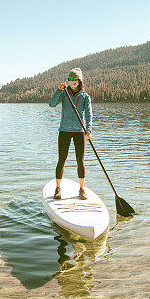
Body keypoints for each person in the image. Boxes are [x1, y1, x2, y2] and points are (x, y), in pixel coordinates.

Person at [49, 68, 92, 200]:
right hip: (64, 131)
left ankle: (81, 189)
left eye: (74, 80)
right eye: (70, 80)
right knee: (62, 159)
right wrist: (59, 90)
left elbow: (89, 114)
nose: (71, 82)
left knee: (80, 160)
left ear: (79, 81)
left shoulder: (85, 97)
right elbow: (52, 104)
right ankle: (58, 188)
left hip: (79, 131)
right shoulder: (64, 94)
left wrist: (88, 129)